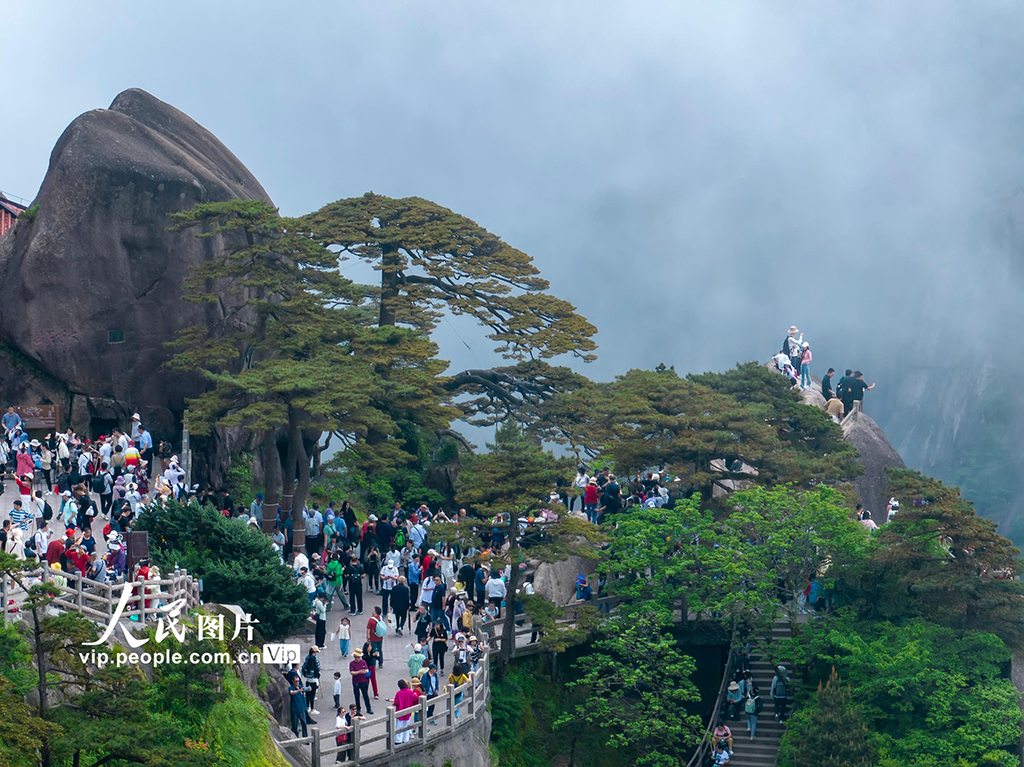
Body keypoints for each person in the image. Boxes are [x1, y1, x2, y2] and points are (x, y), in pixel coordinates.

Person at [392, 678, 419, 744]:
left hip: (400, 712)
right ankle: (406, 739)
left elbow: (396, 703)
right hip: (408, 712)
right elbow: (415, 698)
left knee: (399, 726)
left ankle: (398, 740)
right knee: (407, 726)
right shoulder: (410, 692)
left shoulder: (399, 693)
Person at [349, 649, 373, 716]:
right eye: (356, 657)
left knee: (365, 695)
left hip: (363, 681)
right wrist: (359, 672)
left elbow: (367, 669)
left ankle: (368, 708)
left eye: (359, 657)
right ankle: (358, 709)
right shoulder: (352, 663)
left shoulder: (363, 662)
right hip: (356, 682)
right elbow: (352, 672)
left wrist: (365, 671)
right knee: (357, 696)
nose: (357, 658)